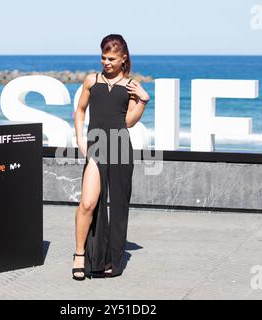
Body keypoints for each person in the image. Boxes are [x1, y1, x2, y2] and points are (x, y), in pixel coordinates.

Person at [73, 34, 149, 280]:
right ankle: (80, 254)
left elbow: (127, 122)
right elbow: (80, 111)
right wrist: (79, 139)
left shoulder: (130, 86)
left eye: (111, 58)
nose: (106, 62)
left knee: (118, 206)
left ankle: (111, 261)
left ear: (123, 58)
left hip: (119, 147)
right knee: (87, 203)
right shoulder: (91, 80)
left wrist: (143, 101)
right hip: (96, 147)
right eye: (103, 57)